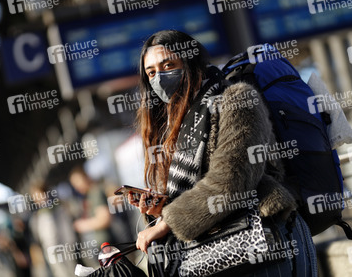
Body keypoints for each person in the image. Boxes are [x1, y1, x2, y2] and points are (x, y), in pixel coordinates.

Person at [128, 30, 318, 276]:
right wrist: (161, 208)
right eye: (151, 72)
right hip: (219, 253)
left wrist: (168, 222)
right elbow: (192, 191)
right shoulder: (172, 128)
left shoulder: (236, 100)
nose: (160, 77)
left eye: (168, 65)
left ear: (191, 62)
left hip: (264, 246)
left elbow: (231, 180)